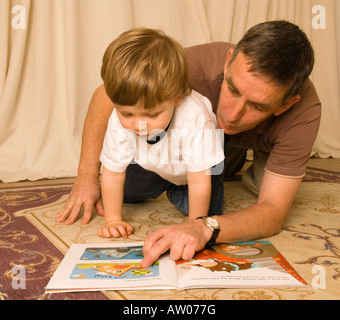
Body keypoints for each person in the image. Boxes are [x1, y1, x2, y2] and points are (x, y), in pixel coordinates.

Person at [56, 21, 321, 267]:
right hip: (189, 141)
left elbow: (272, 211)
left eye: (256, 106)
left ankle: (236, 159)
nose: (231, 114)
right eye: (233, 89)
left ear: (286, 104)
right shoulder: (189, 66)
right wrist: (87, 176)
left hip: (223, 143)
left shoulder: (303, 113)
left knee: (249, 185)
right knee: (129, 185)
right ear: (228, 63)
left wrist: (202, 225)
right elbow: (107, 93)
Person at [95, 28, 225, 238]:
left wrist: (194, 225)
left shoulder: (195, 117)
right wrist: (113, 220)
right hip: (158, 160)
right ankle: (165, 181)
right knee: (123, 193)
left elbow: (200, 180)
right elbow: (111, 173)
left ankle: (177, 190)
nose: (139, 126)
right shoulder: (119, 117)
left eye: (152, 114)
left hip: (199, 166)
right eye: (127, 113)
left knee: (208, 212)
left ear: (176, 96)